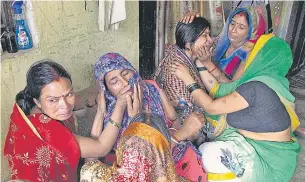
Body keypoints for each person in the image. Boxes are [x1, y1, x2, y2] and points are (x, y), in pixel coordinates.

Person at [170, 34, 301, 181]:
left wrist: (187, 78)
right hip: (259, 146)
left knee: (207, 154)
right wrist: (202, 63)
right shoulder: (267, 82)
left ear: (259, 60)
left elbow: (211, 107)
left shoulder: (258, 87)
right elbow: (221, 88)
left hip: (268, 161)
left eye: (249, 57)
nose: (244, 62)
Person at [4, 60, 142, 181]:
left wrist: (97, 93)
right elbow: (101, 148)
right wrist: (120, 105)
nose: (65, 106)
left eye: (69, 94)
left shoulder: (30, 106)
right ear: (37, 101)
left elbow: (80, 98)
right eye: (53, 100)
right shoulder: (48, 132)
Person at [181, 7, 305, 138]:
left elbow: (235, 88)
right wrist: (192, 19)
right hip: (212, 92)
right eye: (232, 23)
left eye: (241, 27)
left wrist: (207, 64)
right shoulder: (218, 43)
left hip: (230, 99)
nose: (233, 30)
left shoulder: (249, 54)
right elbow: (197, 36)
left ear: (250, 32)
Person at [89, 52, 207, 181]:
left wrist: (171, 135)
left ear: (133, 70)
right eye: (114, 81)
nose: (125, 82)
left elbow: (174, 120)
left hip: (177, 157)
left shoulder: (152, 89)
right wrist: (138, 122)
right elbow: (142, 158)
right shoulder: (110, 115)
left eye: (125, 73)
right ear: (107, 89)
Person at [80, 112, 206, 182]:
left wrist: (101, 111)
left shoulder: (93, 174)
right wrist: (182, 133)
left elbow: (92, 157)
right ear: (164, 155)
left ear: (122, 145)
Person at [154, 17, 215, 139]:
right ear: (188, 43)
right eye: (205, 35)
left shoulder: (186, 54)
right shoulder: (176, 69)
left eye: (209, 34)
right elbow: (189, 115)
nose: (210, 40)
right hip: (184, 133)